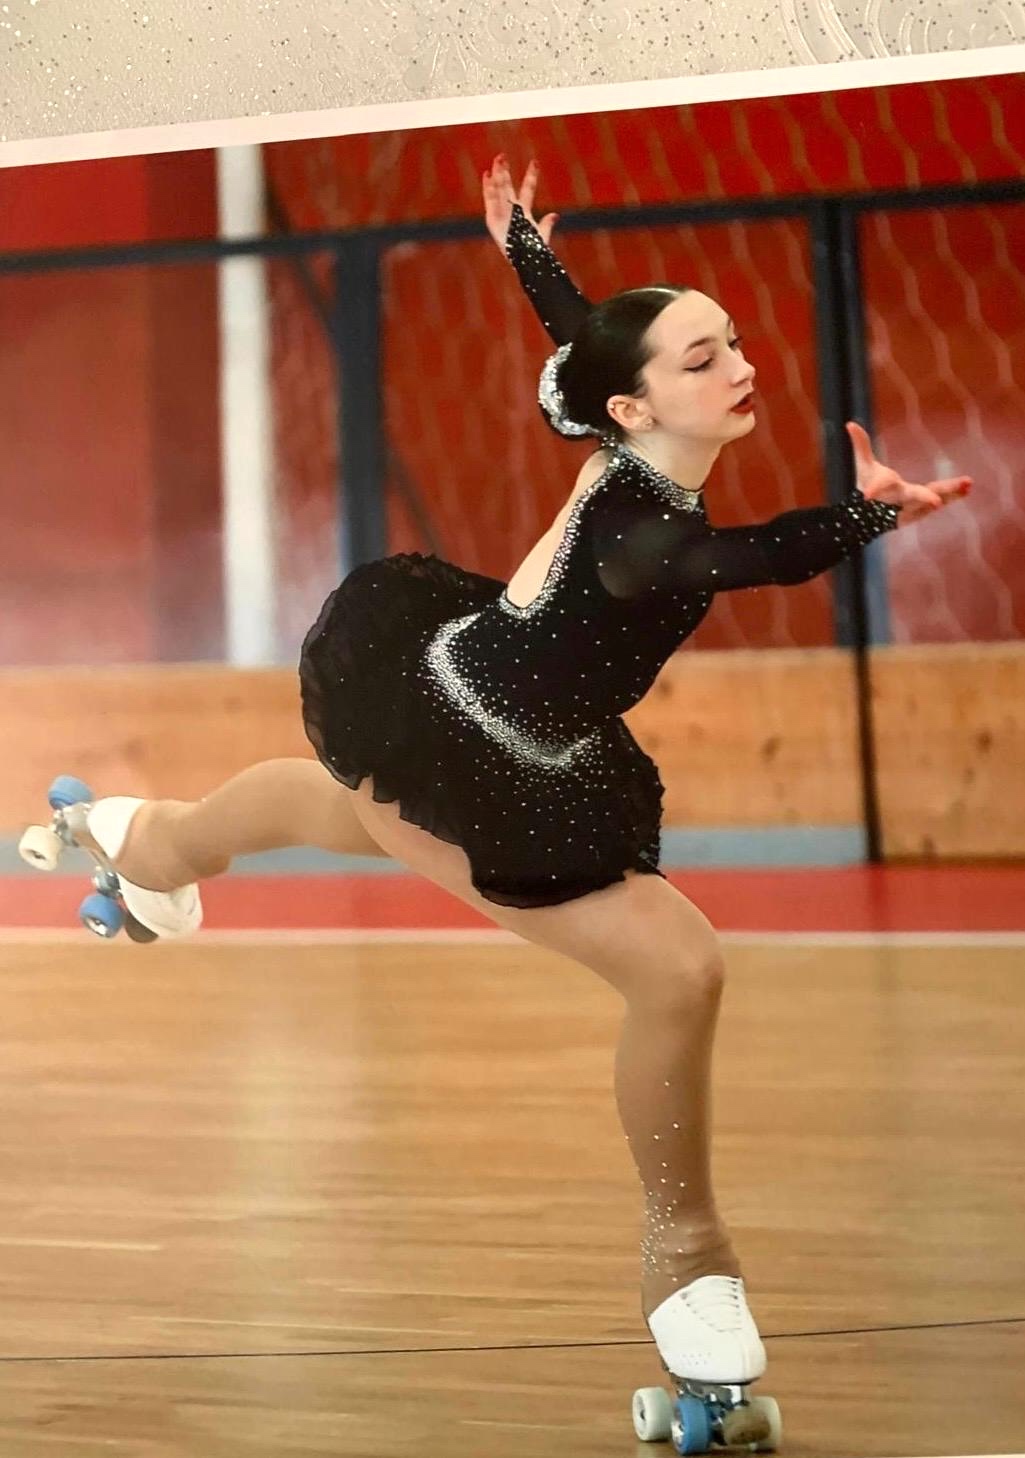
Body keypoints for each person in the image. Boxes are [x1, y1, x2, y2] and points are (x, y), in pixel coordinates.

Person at [29, 155, 972, 1396]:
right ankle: (684, 1255)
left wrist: (527, 250)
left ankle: (145, 844)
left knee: (348, 809)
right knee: (677, 967)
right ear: (633, 408)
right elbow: (757, 558)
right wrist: (866, 516)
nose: (738, 367)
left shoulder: (622, 432)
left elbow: (581, 341)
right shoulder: (644, 532)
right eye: (702, 359)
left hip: (487, 707)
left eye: (731, 344)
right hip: (468, 740)